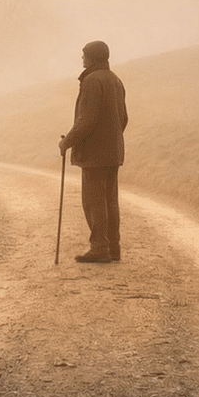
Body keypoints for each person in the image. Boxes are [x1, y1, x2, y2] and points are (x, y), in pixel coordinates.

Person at [59, 40, 128, 263]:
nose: (82, 59)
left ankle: (99, 248)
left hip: (94, 155)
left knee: (94, 201)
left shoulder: (91, 81)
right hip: (113, 152)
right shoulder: (116, 80)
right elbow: (123, 118)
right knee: (110, 200)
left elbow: (86, 120)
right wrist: (111, 138)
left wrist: (66, 142)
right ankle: (113, 247)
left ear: (93, 57)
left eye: (85, 55)